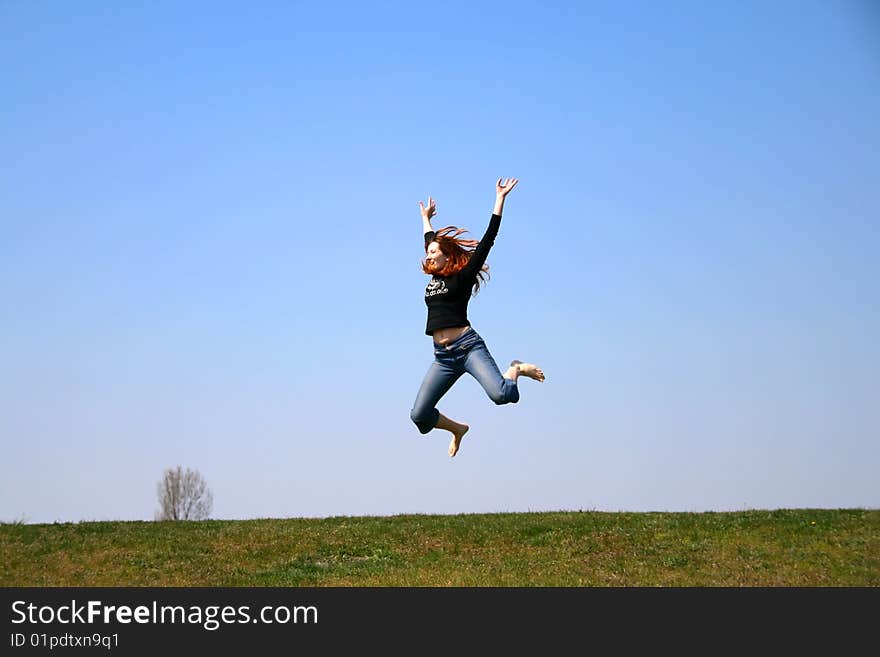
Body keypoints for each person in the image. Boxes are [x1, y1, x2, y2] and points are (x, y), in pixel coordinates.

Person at [410, 177, 545, 458]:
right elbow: (428, 240)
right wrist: (426, 219)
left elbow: (488, 240)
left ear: (448, 257)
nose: (429, 255)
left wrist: (499, 200)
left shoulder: (462, 277)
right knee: (420, 416)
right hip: (443, 357)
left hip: (468, 348)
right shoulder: (434, 274)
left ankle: (516, 368)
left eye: (434, 252)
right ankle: (458, 429)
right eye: (428, 252)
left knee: (502, 396)